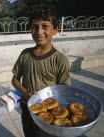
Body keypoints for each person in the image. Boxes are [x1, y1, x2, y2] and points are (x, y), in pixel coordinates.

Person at [11, 5, 71, 137]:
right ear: (30, 29)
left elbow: (64, 89)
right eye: (35, 26)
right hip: (27, 106)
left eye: (45, 26)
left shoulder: (60, 59)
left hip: (48, 114)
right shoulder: (24, 55)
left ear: (56, 30)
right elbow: (15, 79)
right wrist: (25, 93)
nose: (39, 31)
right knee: (29, 132)